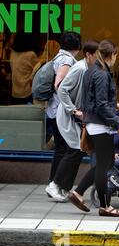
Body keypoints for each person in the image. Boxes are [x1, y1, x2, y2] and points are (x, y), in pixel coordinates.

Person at [68, 40, 119, 217]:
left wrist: (115, 104)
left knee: (106, 162)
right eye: (116, 55)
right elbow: (100, 105)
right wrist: (118, 124)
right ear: (111, 55)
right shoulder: (102, 74)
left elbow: (95, 99)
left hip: (94, 122)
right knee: (103, 166)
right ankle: (105, 206)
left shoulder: (92, 70)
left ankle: (78, 193)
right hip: (101, 125)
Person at [45, 40, 99, 202]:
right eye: (98, 55)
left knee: (77, 149)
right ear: (88, 54)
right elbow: (62, 89)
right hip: (68, 115)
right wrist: (73, 110)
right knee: (75, 148)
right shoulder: (80, 68)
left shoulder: (89, 68)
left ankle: (63, 187)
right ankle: (55, 185)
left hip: (76, 116)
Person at [45, 31, 81, 195]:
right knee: (65, 148)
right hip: (60, 110)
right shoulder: (66, 60)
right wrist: (70, 107)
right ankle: (55, 184)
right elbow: (59, 85)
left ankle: (55, 183)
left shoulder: (59, 57)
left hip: (54, 109)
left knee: (62, 147)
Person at [10, 32, 39, 105]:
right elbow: (39, 70)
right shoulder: (31, 55)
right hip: (27, 92)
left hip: (15, 92)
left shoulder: (13, 53)